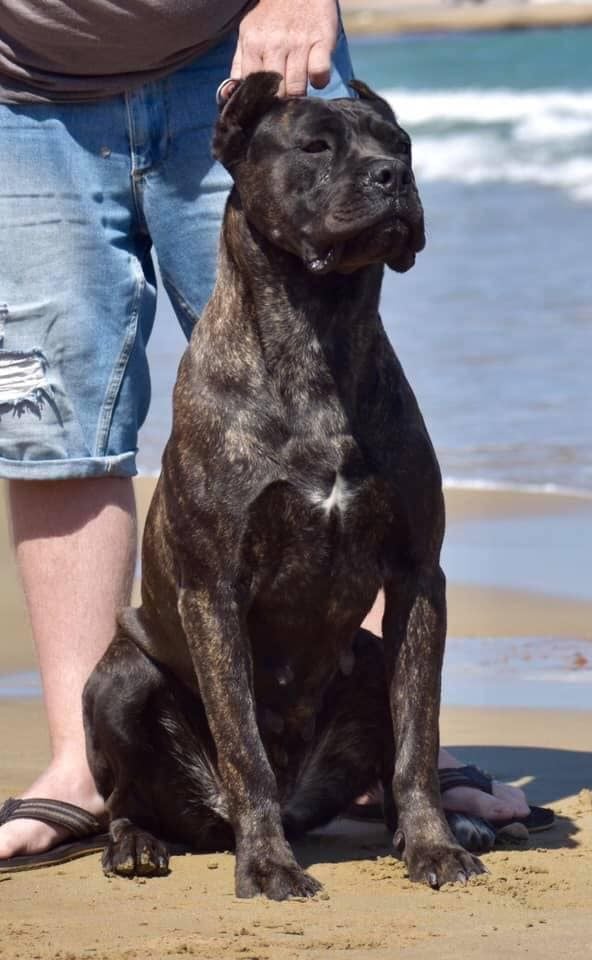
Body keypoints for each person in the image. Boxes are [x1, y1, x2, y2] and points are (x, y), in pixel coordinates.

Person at [0, 0, 541, 872]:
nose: (386, 172)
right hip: (23, 85)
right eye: (326, 152)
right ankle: (88, 769)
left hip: (244, 47)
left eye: (396, 159)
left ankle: (400, 769)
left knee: (349, 415)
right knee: (54, 421)